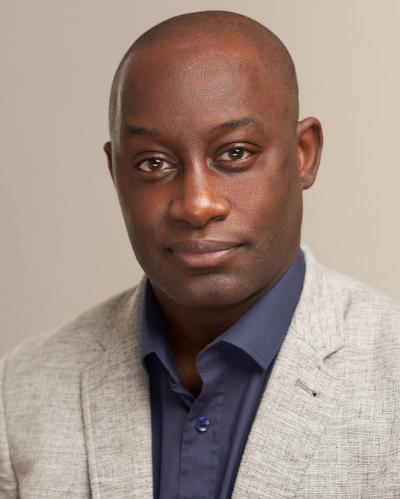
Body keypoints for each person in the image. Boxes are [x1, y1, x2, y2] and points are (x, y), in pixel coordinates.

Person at [1, 10, 399, 499]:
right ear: (115, 172)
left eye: (235, 153)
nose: (196, 204)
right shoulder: (20, 392)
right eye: (154, 162)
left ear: (304, 153)